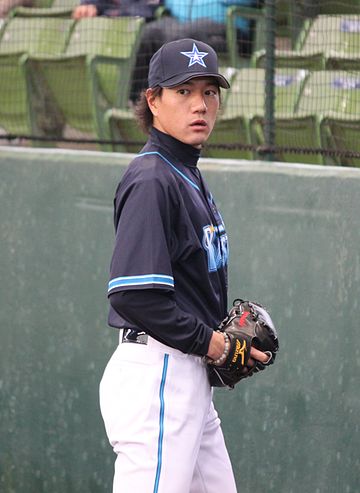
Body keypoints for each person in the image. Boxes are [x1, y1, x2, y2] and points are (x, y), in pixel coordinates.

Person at [99, 37, 268, 492]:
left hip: (187, 378)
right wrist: (214, 343)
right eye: (183, 91)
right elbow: (134, 295)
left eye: (209, 92)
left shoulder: (185, 171)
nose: (200, 105)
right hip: (159, 377)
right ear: (153, 100)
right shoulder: (152, 178)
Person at [72, 0, 262, 101]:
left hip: (226, 30)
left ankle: (175, 104)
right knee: (150, 33)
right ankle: (137, 102)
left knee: (179, 37)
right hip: (180, 24)